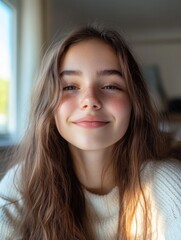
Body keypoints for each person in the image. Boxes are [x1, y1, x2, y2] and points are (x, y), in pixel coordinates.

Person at [0, 25, 181, 240]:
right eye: (69, 87)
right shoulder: (22, 183)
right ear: (47, 107)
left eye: (111, 86)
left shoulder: (167, 183)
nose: (90, 101)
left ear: (134, 102)